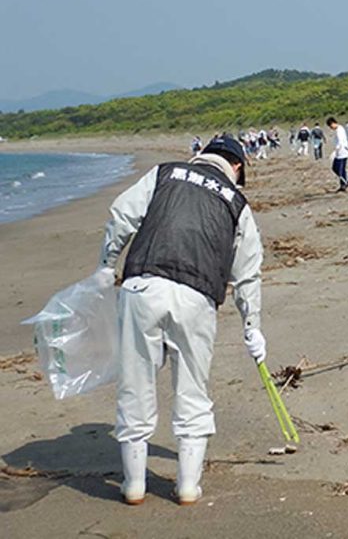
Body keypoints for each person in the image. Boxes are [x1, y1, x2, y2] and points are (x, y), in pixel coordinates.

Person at [97, 135, 267, 505]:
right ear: (236, 166)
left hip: (142, 287)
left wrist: (106, 265)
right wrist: (252, 326)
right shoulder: (237, 202)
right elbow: (248, 272)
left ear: (203, 155)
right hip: (196, 298)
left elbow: (121, 214)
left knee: (135, 384)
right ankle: (188, 487)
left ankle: (134, 486)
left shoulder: (164, 173)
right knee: (193, 389)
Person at [326, 116, 348, 192]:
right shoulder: (339, 129)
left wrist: (334, 152)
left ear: (333, 123)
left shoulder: (339, 130)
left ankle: (345, 183)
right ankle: (347, 181)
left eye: (331, 126)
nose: (331, 128)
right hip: (340, 153)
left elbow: (340, 142)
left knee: (338, 169)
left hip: (342, 153)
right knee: (337, 168)